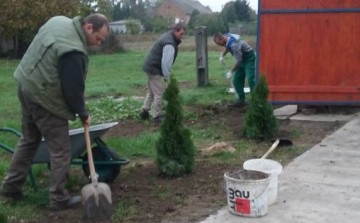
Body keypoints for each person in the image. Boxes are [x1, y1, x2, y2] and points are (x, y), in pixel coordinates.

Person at [0, 13, 109, 211]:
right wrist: (83, 114)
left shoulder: (59, 21)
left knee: (29, 139)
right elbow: (73, 90)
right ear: (89, 27)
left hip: (26, 85)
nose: (97, 44)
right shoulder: (74, 51)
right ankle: (58, 198)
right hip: (44, 97)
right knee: (61, 150)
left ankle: (10, 187)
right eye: (98, 38)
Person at [139, 23, 186, 124]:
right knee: (159, 93)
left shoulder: (168, 37)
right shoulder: (170, 43)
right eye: (181, 34)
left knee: (152, 92)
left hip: (150, 66)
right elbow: (166, 63)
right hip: (154, 68)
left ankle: (144, 111)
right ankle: (157, 116)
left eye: (183, 34)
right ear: (175, 31)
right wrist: (167, 77)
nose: (182, 36)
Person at [214, 32, 256, 107]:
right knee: (237, 80)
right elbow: (227, 46)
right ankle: (241, 100)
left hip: (248, 57)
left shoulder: (234, 45)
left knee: (250, 78)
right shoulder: (226, 36)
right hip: (241, 57)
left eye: (219, 43)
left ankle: (256, 101)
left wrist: (231, 71)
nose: (220, 45)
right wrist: (222, 55)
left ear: (222, 38)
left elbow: (239, 60)